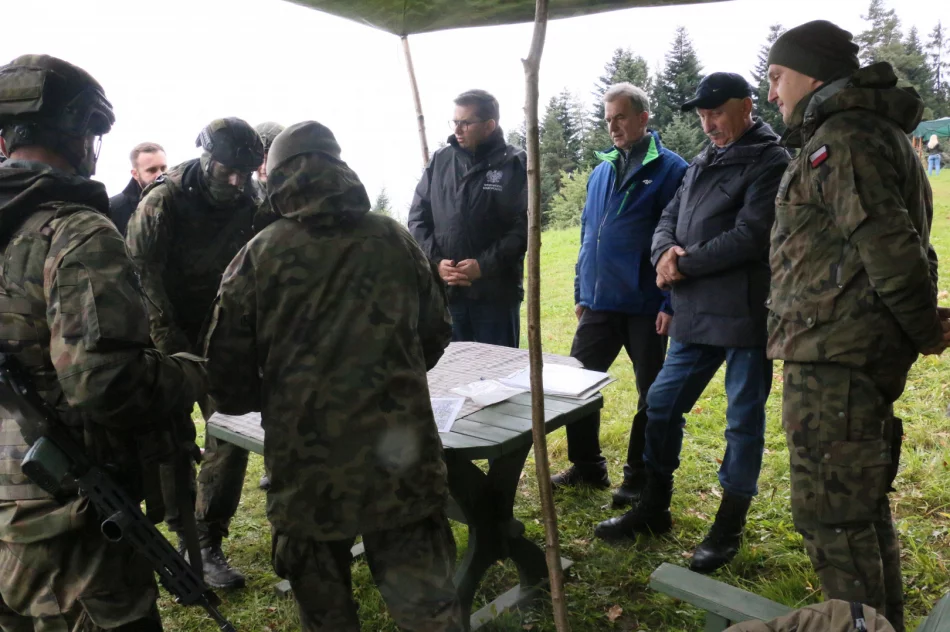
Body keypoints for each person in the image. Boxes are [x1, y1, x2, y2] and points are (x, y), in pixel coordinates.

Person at [204, 121, 462, 632]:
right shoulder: (395, 238)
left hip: (308, 476)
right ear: (340, 168)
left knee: (326, 619)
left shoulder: (259, 255)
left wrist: (286, 395)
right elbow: (434, 334)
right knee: (430, 613)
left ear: (275, 180)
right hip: (402, 466)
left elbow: (225, 382)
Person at [0, 54, 205, 631]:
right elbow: (105, 382)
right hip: (66, 523)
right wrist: (188, 371)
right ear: (87, 139)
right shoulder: (74, 229)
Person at [765, 20, 950, 631]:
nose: (772, 94)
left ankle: (858, 625)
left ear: (812, 74)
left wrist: (924, 331)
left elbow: (893, 248)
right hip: (843, 352)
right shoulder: (870, 133)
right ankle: (879, 622)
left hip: (835, 359)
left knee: (832, 520)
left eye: (777, 77)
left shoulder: (841, 138)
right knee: (858, 510)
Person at [595, 72, 790, 576]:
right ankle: (655, 506)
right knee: (660, 405)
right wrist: (664, 252)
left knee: (742, 423)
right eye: (702, 116)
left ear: (747, 106)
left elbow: (753, 235)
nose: (708, 125)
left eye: (717, 113)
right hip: (693, 311)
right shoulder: (704, 161)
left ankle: (728, 525)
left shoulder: (771, 160)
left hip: (746, 313)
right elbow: (668, 218)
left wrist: (684, 262)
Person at [126, 117, 265, 589]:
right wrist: (172, 354)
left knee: (229, 431)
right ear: (206, 157)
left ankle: (205, 541)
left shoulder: (249, 197)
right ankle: (178, 534)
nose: (236, 180)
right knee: (172, 439)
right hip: (163, 330)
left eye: (245, 171)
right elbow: (142, 279)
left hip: (220, 330)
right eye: (228, 169)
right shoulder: (163, 200)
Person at [550, 83, 687, 505]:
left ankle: (638, 475)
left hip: (648, 305)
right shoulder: (602, 170)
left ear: (644, 118)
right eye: (608, 119)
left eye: (621, 117)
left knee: (652, 393)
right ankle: (588, 466)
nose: (613, 127)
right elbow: (588, 234)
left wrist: (669, 303)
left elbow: (679, 238)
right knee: (577, 382)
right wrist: (581, 289)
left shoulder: (671, 169)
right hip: (599, 302)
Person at [408, 89, 527, 348]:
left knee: (500, 376)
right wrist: (437, 263)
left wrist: (483, 266)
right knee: (452, 376)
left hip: (495, 295)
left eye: (466, 123)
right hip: (448, 294)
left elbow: (523, 228)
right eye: (455, 122)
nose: (457, 129)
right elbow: (417, 219)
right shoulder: (441, 160)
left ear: (489, 126)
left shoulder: (514, 162)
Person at [109, 142, 168, 236]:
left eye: (163, 168)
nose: (160, 175)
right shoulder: (114, 209)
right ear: (135, 174)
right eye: (152, 170)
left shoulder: (178, 199)